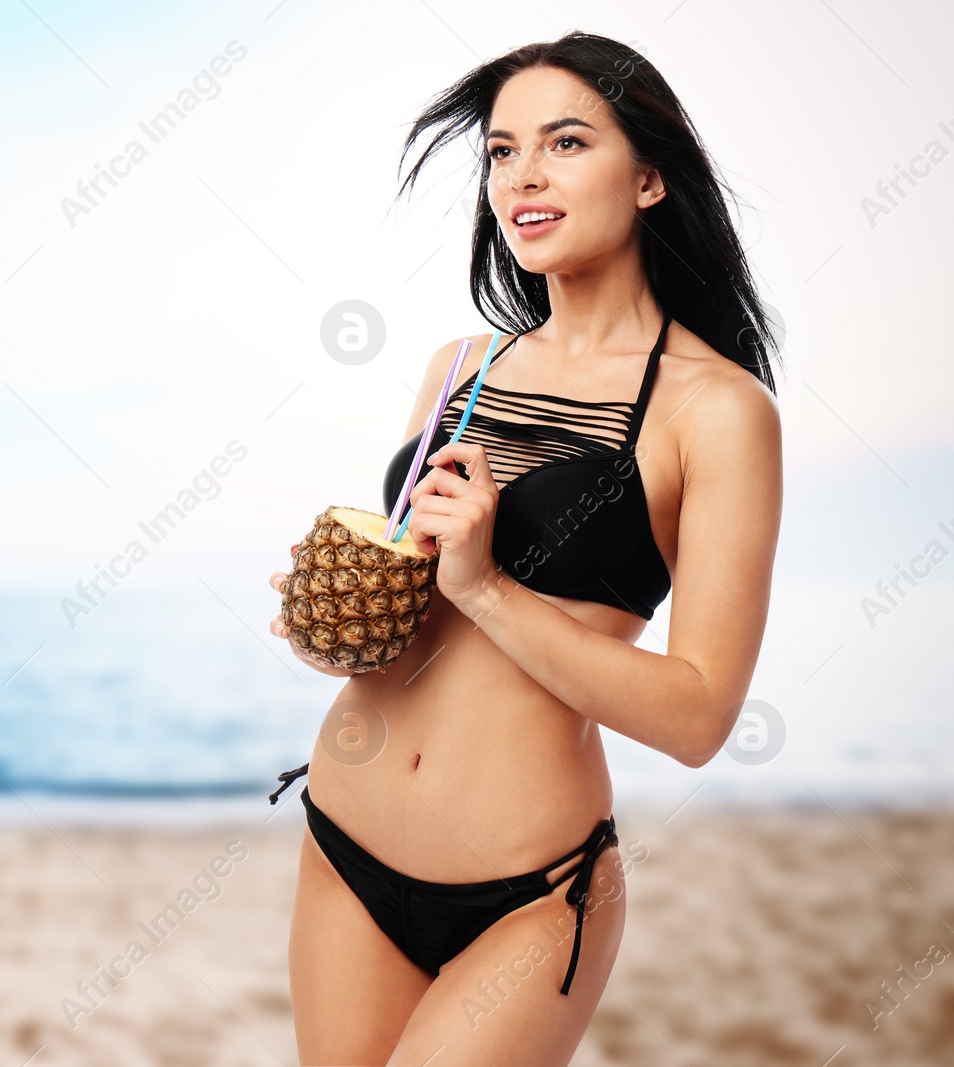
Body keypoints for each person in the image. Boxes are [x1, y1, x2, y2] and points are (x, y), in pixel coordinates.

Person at [265, 31, 782, 1066]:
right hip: (347, 840)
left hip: (528, 892)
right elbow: (416, 614)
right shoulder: (458, 367)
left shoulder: (716, 410)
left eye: (565, 141)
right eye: (501, 151)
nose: (522, 176)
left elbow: (695, 716)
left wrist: (489, 586)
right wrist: (336, 619)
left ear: (647, 177)